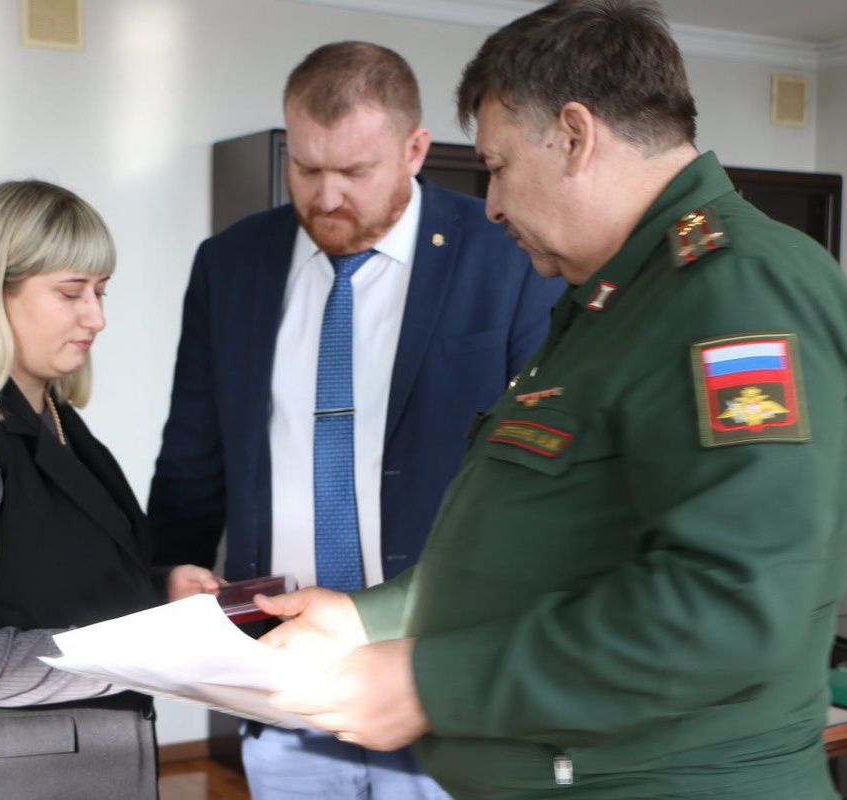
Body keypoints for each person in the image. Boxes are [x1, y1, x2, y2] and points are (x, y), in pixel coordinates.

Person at [254, 2, 847, 798]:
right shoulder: (614, 296)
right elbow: (547, 545)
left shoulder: (737, 291)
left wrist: (427, 683)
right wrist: (366, 619)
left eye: (498, 165)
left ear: (576, 136)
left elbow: (727, 607)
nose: (491, 204)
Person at [148, 41, 563, 800]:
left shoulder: (505, 255)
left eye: (355, 172)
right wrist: (168, 582)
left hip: (439, 681)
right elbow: (191, 458)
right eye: (306, 169)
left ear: (415, 150)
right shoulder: (231, 264)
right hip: (281, 679)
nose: (327, 197)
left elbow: (542, 489)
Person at [0, 180, 220, 800]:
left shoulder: (54, 418)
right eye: (71, 292)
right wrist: (134, 656)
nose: (97, 318)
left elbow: (43, 576)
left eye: (101, 291)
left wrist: (158, 588)